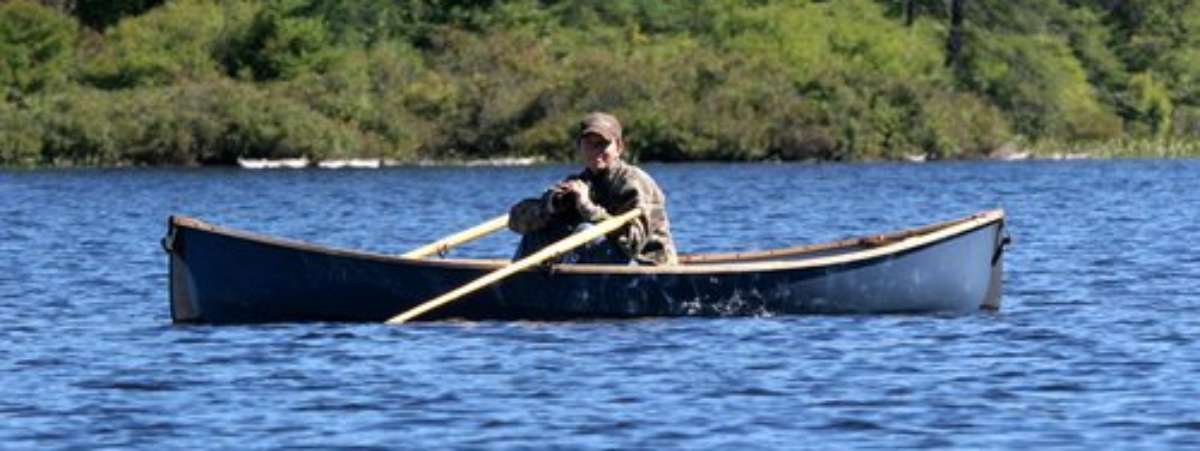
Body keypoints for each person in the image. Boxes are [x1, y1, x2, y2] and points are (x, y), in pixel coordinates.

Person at [508, 112, 678, 265]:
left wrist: (587, 207)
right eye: (589, 144)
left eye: (602, 144)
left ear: (619, 147)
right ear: (579, 147)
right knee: (535, 235)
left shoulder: (634, 183)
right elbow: (515, 222)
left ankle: (562, 282)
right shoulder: (577, 182)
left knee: (586, 232)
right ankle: (514, 287)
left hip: (646, 264)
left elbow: (633, 244)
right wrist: (551, 205)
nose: (595, 151)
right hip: (600, 267)